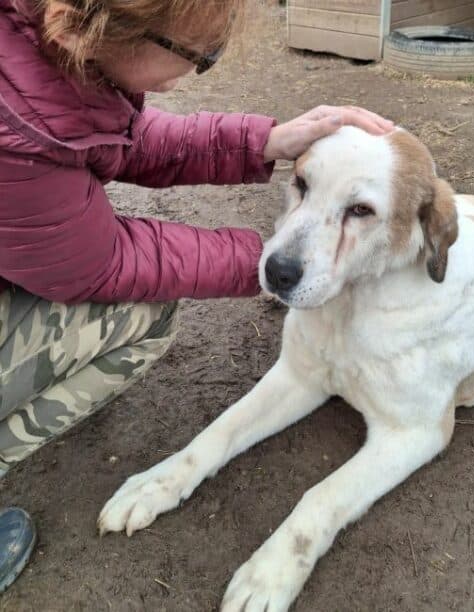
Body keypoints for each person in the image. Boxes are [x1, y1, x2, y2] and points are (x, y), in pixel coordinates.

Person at [0, 0, 394, 592]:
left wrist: (266, 141)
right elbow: (98, 264)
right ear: (115, 28)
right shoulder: (14, 127)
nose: (194, 72)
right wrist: (268, 263)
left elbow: (117, 136)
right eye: (199, 57)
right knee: (144, 315)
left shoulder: (40, 45)